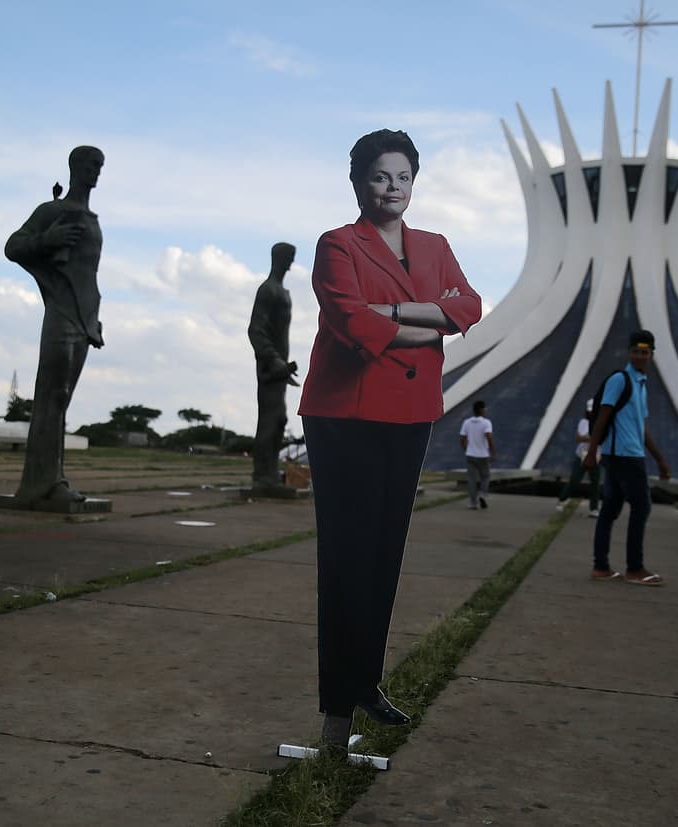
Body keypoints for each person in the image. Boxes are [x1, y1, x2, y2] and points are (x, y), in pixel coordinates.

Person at [299, 129, 482, 750]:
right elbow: (350, 321)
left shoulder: (434, 245)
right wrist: (429, 319)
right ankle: (335, 712)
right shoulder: (337, 244)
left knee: (384, 556)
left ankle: (366, 684)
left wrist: (396, 314)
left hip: (409, 412)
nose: (392, 189)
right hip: (345, 414)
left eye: (403, 178)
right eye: (381, 177)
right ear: (358, 181)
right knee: (346, 558)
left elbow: (470, 307)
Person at [4, 146, 105, 507]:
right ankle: (42, 484)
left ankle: (51, 479)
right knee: (52, 396)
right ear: (75, 167)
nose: (96, 171)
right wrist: (47, 241)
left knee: (61, 400)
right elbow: (13, 246)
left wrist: (93, 320)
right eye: (91, 164)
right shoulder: (52, 211)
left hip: (84, 319)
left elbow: (87, 277)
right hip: (60, 314)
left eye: (100, 166)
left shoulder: (92, 220)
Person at [584, 331, 672, 585]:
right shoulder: (620, 380)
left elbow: (641, 428)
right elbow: (603, 415)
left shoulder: (640, 385)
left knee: (610, 509)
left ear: (651, 355)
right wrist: (592, 452)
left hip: (631, 453)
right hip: (622, 455)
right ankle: (635, 568)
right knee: (641, 507)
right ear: (629, 353)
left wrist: (660, 459)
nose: (640, 356)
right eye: (635, 351)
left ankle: (601, 567)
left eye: (644, 352)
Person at [248, 242, 300, 489]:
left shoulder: (282, 292)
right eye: (288, 257)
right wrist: (274, 359)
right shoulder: (267, 290)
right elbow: (255, 331)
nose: (291, 262)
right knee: (271, 420)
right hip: (270, 369)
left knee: (278, 420)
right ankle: (262, 476)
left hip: (279, 370)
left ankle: (268, 473)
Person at [557, 398, 601, 517]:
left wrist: (591, 438)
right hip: (582, 454)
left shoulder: (602, 422)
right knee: (575, 479)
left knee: (595, 483)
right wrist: (592, 438)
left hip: (597, 455)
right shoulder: (583, 422)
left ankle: (594, 508)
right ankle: (562, 500)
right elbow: (578, 438)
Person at [459, 400, 495, 510]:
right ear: (481, 410)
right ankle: (482, 494)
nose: (486, 410)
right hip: (483, 455)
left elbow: (462, 438)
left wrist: (466, 449)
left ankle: (473, 503)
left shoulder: (467, 422)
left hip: (470, 455)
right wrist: (493, 452)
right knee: (486, 476)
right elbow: (488, 436)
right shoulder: (486, 423)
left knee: (472, 479)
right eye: (485, 408)